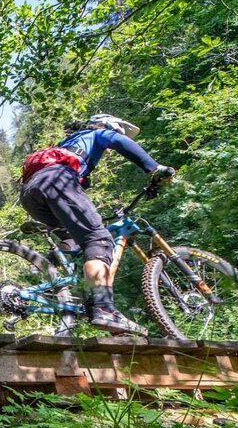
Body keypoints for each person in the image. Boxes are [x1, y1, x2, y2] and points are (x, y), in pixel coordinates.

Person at [19, 113, 175, 335]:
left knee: (74, 238)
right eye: (116, 131)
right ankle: (104, 309)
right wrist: (154, 168)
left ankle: (51, 283)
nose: (112, 143)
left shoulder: (70, 145)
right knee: (99, 239)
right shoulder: (96, 133)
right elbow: (120, 142)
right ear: (108, 126)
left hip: (31, 193)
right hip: (57, 181)